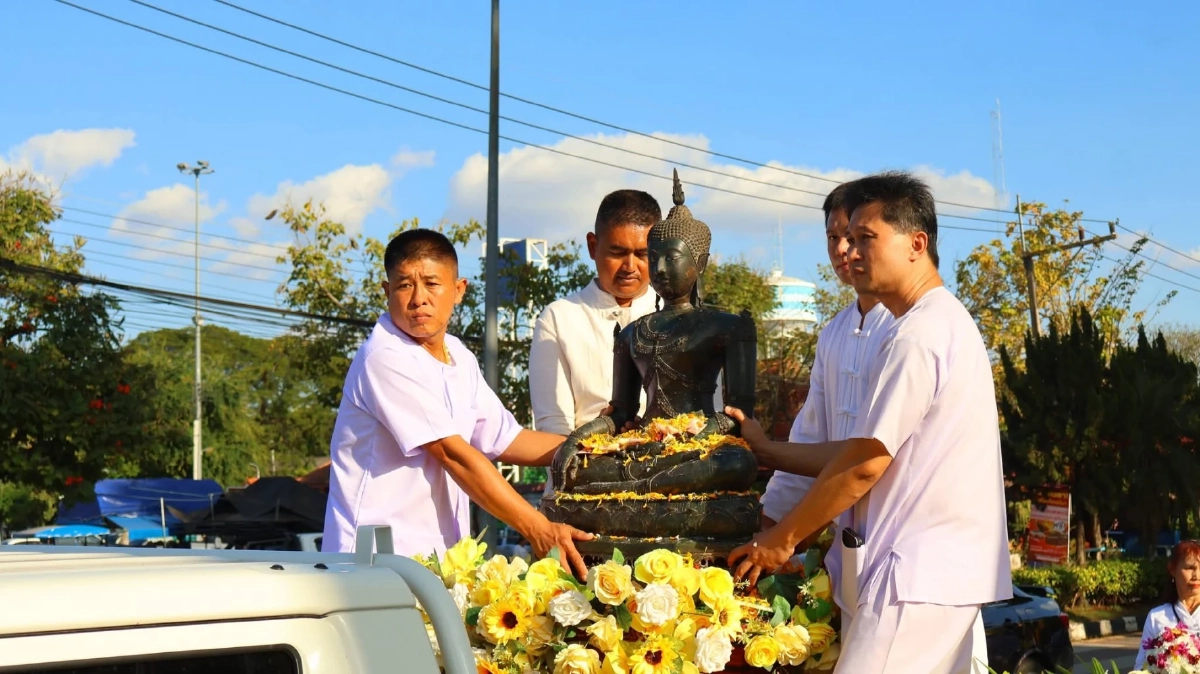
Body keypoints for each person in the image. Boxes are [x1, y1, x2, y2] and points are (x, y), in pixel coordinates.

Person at [727, 172, 1011, 673]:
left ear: (916, 244)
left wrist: (784, 538)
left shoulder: (918, 333)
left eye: (865, 239)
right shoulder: (929, 322)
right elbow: (849, 451)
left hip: (914, 577)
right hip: (911, 574)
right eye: (843, 239)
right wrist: (768, 452)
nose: (849, 252)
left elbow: (863, 465)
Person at [323, 228, 592, 578]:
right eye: (404, 285)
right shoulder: (385, 357)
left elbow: (508, 440)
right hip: (375, 562)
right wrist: (536, 527)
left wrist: (599, 450)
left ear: (458, 290)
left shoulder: (459, 356)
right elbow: (454, 456)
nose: (419, 298)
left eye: (432, 284)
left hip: (439, 563)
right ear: (387, 292)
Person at [759, 182, 894, 531]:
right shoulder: (833, 332)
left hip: (900, 530)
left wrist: (784, 538)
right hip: (843, 538)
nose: (843, 249)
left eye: (855, 237)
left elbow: (870, 459)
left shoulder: (906, 327)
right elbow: (809, 439)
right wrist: (764, 526)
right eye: (833, 237)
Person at [529, 190, 661, 442]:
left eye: (643, 254)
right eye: (617, 252)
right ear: (593, 246)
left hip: (672, 475)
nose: (630, 267)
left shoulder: (681, 318)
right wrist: (601, 439)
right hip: (586, 472)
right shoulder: (559, 318)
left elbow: (707, 416)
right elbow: (553, 426)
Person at [1134, 540, 1200, 670]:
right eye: (1189, 568)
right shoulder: (1157, 617)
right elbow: (1140, 667)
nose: (1196, 576)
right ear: (1172, 569)